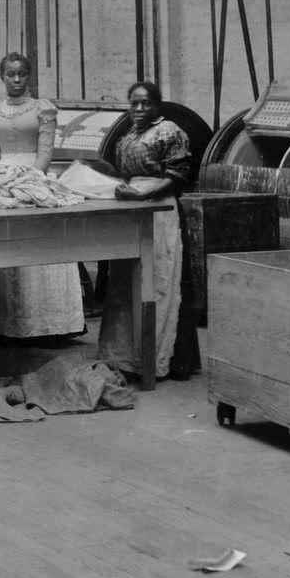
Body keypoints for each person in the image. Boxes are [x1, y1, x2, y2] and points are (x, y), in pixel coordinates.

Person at [0, 52, 84, 340]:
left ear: (28, 75)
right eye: (10, 74)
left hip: (33, 176)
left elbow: (44, 154)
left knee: (36, 243)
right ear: (2, 77)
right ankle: (1, 325)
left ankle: (47, 326)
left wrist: (29, 182)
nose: (16, 79)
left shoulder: (42, 109)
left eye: (22, 73)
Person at [91, 81, 192, 380]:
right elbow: (125, 171)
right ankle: (125, 357)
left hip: (158, 209)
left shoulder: (170, 131)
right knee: (126, 282)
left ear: (157, 106)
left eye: (146, 103)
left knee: (157, 279)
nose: (138, 109)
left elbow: (178, 175)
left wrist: (143, 196)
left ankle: (155, 358)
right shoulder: (128, 134)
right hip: (131, 207)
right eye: (134, 103)